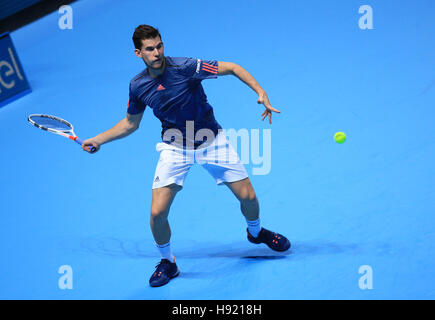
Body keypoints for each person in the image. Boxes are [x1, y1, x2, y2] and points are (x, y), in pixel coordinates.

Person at [82, 25, 290, 287]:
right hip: (175, 147)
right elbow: (129, 124)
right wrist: (98, 140)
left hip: (211, 140)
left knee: (249, 198)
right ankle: (168, 262)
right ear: (138, 53)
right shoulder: (137, 86)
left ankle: (256, 232)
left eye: (159, 45)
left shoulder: (187, 67)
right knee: (157, 212)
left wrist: (260, 92)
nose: (157, 52)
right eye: (150, 48)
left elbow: (233, 67)